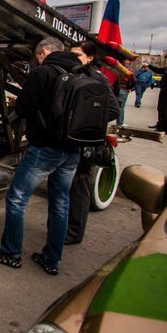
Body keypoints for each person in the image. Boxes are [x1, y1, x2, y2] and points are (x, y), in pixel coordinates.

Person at [0, 37, 82, 276]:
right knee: (60, 203)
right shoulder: (82, 73)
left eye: (37, 56)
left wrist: (26, 103)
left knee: (17, 198)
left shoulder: (44, 73)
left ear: (45, 51)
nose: (37, 61)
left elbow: (24, 109)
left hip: (46, 148)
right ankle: (51, 260)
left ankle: (11, 253)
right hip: (72, 150)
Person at [65, 41, 119, 245]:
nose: (73, 58)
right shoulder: (78, 73)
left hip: (83, 139)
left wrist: (82, 121)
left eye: (77, 55)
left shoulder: (95, 77)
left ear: (89, 57)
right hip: (73, 138)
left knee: (79, 185)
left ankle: (74, 233)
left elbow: (113, 109)